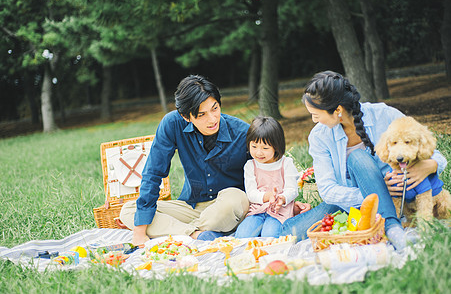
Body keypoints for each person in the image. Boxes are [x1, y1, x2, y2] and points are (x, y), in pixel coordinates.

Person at [282, 70, 447, 250]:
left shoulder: (384, 115)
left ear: (337, 110)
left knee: (358, 158)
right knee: (287, 233)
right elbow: (328, 190)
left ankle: (393, 230)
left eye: (316, 115)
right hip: (351, 201)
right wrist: (380, 193)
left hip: (397, 203)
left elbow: (436, 154)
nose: (314, 120)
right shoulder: (319, 136)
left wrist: (430, 166)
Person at [119, 75, 250, 245]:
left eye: (215, 108)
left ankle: (179, 231)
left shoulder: (242, 132)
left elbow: (267, 171)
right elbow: (153, 173)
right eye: (201, 114)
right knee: (128, 211)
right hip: (191, 206)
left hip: (225, 206)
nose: (212, 119)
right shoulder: (172, 123)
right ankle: (196, 235)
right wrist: (139, 232)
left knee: (236, 199)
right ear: (186, 116)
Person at [234, 116, 307, 238]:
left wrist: (282, 198)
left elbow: (292, 189)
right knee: (242, 236)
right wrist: (267, 196)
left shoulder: (286, 163)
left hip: (279, 211)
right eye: (254, 146)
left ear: (276, 146)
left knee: (270, 235)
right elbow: (251, 193)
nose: (258, 152)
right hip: (257, 210)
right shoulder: (250, 166)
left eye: (265, 148)